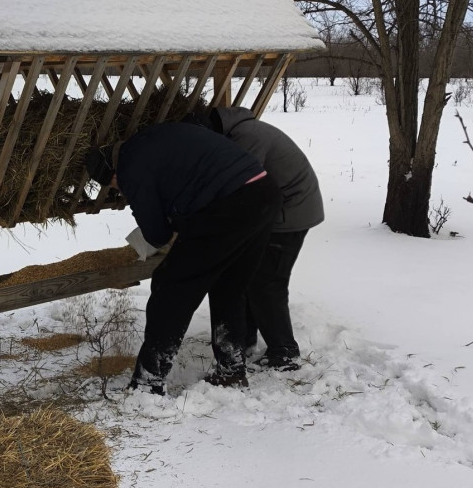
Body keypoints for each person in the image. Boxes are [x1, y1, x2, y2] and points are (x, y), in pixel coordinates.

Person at [85, 122, 281, 395]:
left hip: (229, 204)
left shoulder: (130, 166)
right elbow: (187, 182)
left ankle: (148, 382)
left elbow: (156, 233)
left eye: (114, 185)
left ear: (113, 172)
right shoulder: (153, 138)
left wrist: (163, 231)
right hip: (264, 192)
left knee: (171, 286)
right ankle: (231, 371)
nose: (119, 190)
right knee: (229, 286)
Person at [206, 106, 324, 370]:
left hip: (290, 213)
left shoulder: (248, 137)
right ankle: (246, 338)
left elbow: (243, 183)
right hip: (282, 209)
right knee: (252, 277)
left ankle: (284, 351)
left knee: (267, 282)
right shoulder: (245, 131)